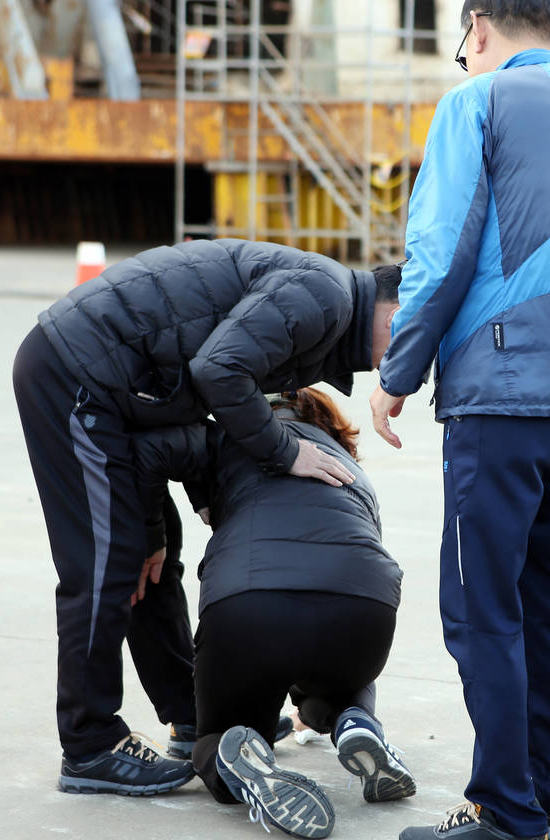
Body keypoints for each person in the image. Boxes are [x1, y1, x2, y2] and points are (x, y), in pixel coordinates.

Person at [12, 240, 401, 794]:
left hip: (126, 389)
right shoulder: (327, 295)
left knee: (152, 552)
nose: (422, 363)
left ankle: (188, 711)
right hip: (79, 375)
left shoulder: (328, 310)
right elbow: (220, 371)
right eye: (426, 340)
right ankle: (89, 743)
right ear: (399, 310)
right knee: (101, 563)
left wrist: (174, 509)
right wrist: (285, 452)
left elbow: (205, 383)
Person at [368, 4, 550, 840]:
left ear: (476, 27)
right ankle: (535, 794)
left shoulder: (476, 105)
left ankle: (508, 813)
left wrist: (396, 373)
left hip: (502, 397)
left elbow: (439, 253)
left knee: (486, 607)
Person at [133, 387, 415, 838]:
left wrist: (152, 534)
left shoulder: (222, 441)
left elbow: (144, 451)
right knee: (340, 671)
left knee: (215, 740)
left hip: (250, 609)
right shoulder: (352, 471)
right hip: (363, 612)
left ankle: (244, 756)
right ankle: (354, 722)